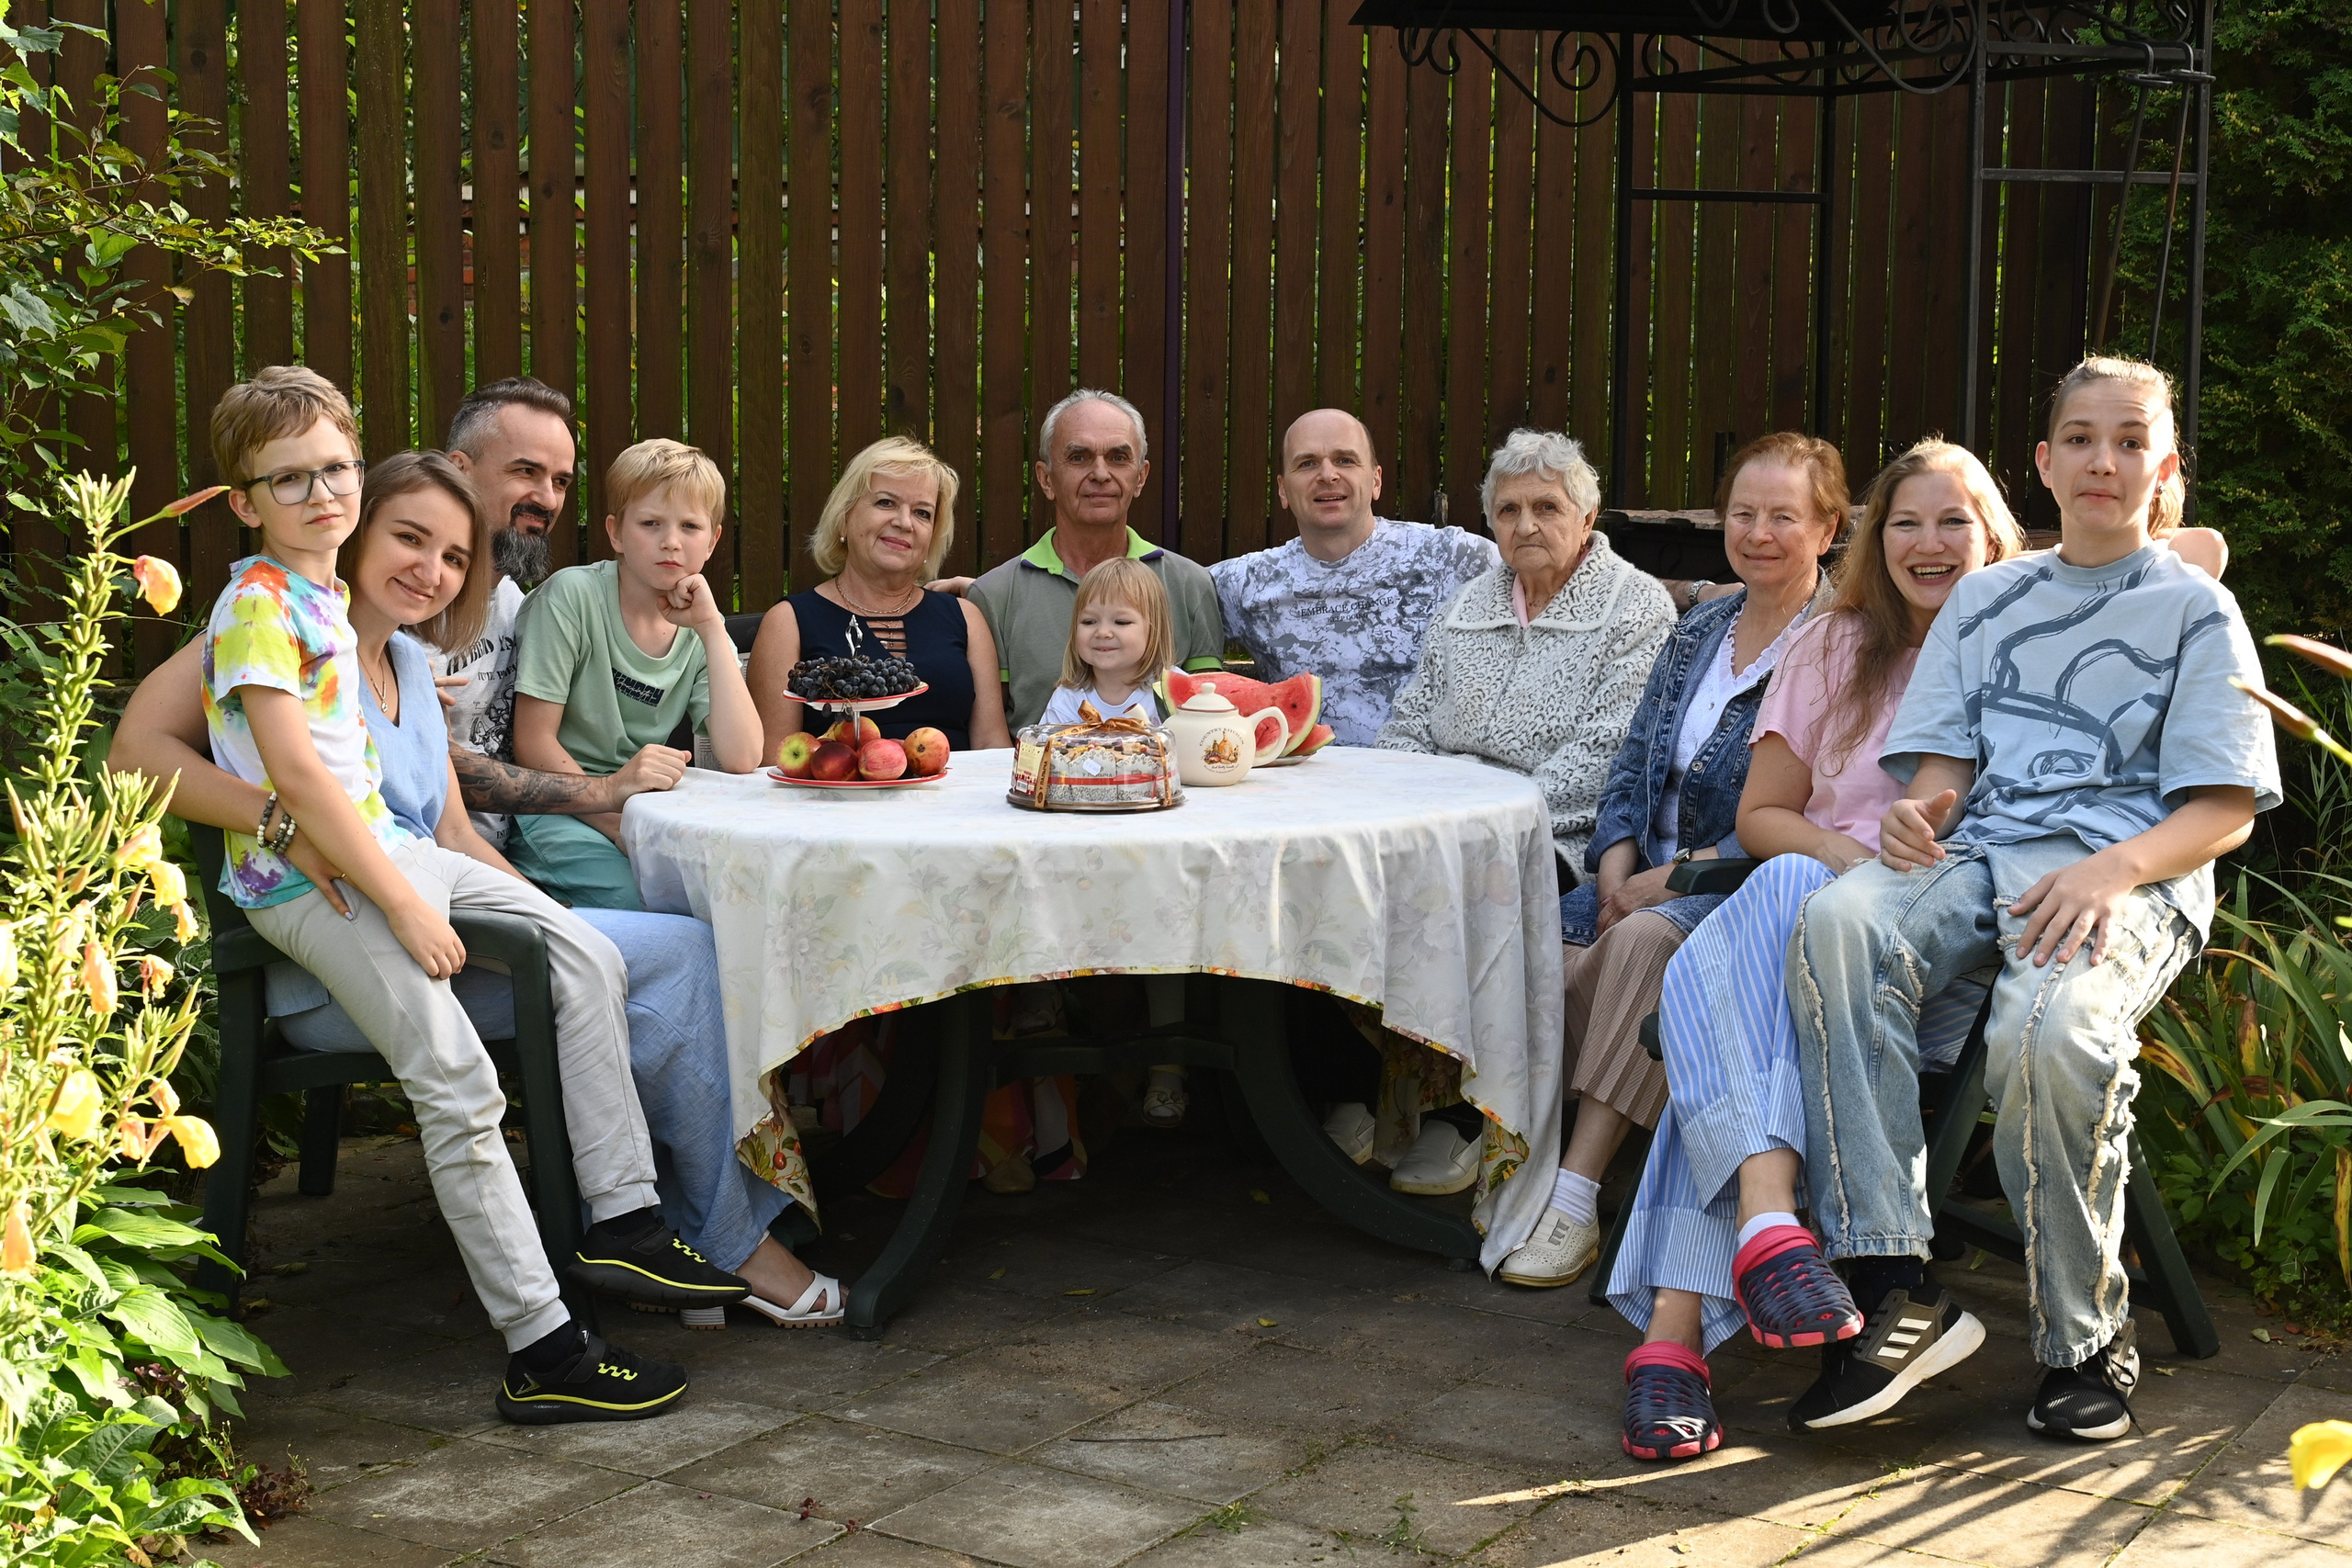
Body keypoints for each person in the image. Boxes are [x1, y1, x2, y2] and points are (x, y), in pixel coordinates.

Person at [115, 451, 843, 1332]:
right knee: (670, 970)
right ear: (353, 531)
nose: (432, 568)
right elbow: (135, 754)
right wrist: (280, 821)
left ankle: (663, 1226)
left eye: (455, 555)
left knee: (657, 952)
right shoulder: (275, 622)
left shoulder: (410, 666)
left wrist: (550, 926)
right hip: (345, 949)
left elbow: (452, 835)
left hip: (433, 914)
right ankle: (712, 1239)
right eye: (409, 539)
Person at [171, 367, 726, 1423]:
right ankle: (543, 1347)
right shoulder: (252, 605)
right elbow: (297, 778)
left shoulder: (327, 600)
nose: (322, 494)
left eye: (335, 468)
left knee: (585, 952)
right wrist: (412, 903)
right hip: (312, 885)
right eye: (288, 481)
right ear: (244, 503)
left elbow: (405, 797)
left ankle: (621, 1219)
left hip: (389, 853)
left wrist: (439, 876)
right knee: (458, 1081)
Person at [1785, 356, 2278, 1442]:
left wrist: (2110, 871)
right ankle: (1886, 1278)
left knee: (2048, 1031)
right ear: (2045, 463)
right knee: (1839, 918)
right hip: (1983, 856)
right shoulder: (1986, 598)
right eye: (2082, 439)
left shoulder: (2196, 611)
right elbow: (1941, 775)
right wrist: (1920, 816)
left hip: (2127, 875)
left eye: (2130, 440)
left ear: (2163, 470)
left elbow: (2224, 808)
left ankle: (2085, 1334)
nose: (2104, 460)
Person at [1607, 440, 2023, 1460]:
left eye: (1953, 522)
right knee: (1784, 903)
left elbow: (2190, 547)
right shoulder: (1832, 646)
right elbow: (1762, 816)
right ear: (1873, 541)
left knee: (1724, 1007)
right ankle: (1768, 1235)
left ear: (1994, 534)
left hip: (1921, 971)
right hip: (1798, 925)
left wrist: (1858, 881)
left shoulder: (2025, 650)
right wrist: (1844, 857)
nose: (1928, 545)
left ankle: (1677, 1331)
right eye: (1905, 524)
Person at [1494, 431, 1845, 1289]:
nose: (1759, 533)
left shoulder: (1838, 643)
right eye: (1743, 514)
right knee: (1509, 930)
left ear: (1829, 528)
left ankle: (1572, 1194)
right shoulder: (1705, 624)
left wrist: (1673, 874)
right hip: (1633, 878)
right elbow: (1634, 755)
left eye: (1783, 517)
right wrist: (1614, 864)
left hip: (1741, 889)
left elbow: (1811, 807)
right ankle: (1505, 1151)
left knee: (1643, 946)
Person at [1372, 429, 1676, 1197]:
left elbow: (1607, 754)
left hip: (1555, 837)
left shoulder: (1634, 606)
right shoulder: (1467, 605)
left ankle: (1472, 1119)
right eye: (1508, 509)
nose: (1526, 524)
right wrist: (1419, 811)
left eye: (1547, 506)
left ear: (1588, 513)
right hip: (1436, 824)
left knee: (1466, 906)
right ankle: (1377, 1099)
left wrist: (1479, 823)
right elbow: (1407, 725)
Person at [435, 378, 695, 847]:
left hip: (529, 849)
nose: (549, 499)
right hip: (449, 874)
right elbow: (434, 762)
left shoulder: (518, 605)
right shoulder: (405, 612)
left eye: (559, 481)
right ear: (460, 472)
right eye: (526, 472)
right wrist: (609, 796)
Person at [508, 439, 762, 908]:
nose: (671, 541)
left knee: (730, 902)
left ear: (713, 540)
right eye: (650, 524)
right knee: (648, 905)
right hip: (558, 807)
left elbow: (742, 756)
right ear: (616, 533)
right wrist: (619, 824)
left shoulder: (699, 625)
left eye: (690, 526)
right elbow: (533, 743)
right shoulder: (573, 597)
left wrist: (710, 628)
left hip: (644, 811)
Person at [1210, 409, 1498, 745]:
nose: (1328, 475)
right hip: (1301, 787)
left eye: (1345, 460)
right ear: (1283, 490)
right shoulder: (1246, 583)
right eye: (1307, 463)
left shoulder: (1452, 557)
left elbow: (1552, 584)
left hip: (1426, 782)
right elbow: (1150, 605)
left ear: (1376, 480)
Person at [966, 389, 1227, 730]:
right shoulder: (994, 595)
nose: (1101, 473)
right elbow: (989, 740)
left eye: (1119, 458)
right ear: (1046, 479)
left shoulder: (1190, 585)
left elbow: (1213, 724)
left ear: (1141, 476)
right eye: (1079, 457)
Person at [748, 436, 1012, 756]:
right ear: (845, 516)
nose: (904, 522)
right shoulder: (790, 622)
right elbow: (773, 762)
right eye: (885, 502)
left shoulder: (966, 618)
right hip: (834, 801)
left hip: (951, 801)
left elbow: (991, 748)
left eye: (922, 513)